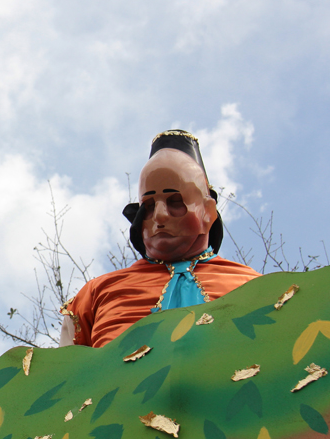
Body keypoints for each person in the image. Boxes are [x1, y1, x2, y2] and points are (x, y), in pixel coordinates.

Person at [59, 130, 261, 348]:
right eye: (149, 205)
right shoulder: (93, 297)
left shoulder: (257, 288)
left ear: (207, 212)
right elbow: (65, 375)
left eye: (175, 201)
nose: (160, 215)